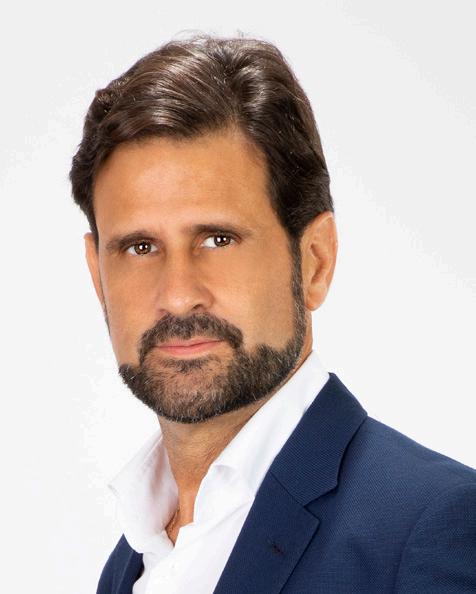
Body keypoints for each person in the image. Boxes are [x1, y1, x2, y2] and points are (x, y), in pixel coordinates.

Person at [70, 35, 476, 594]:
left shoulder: (431, 529)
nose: (178, 296)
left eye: (218, 239)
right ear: (98, 276)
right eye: (140, 247)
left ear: (315, 262)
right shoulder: (133, 563)